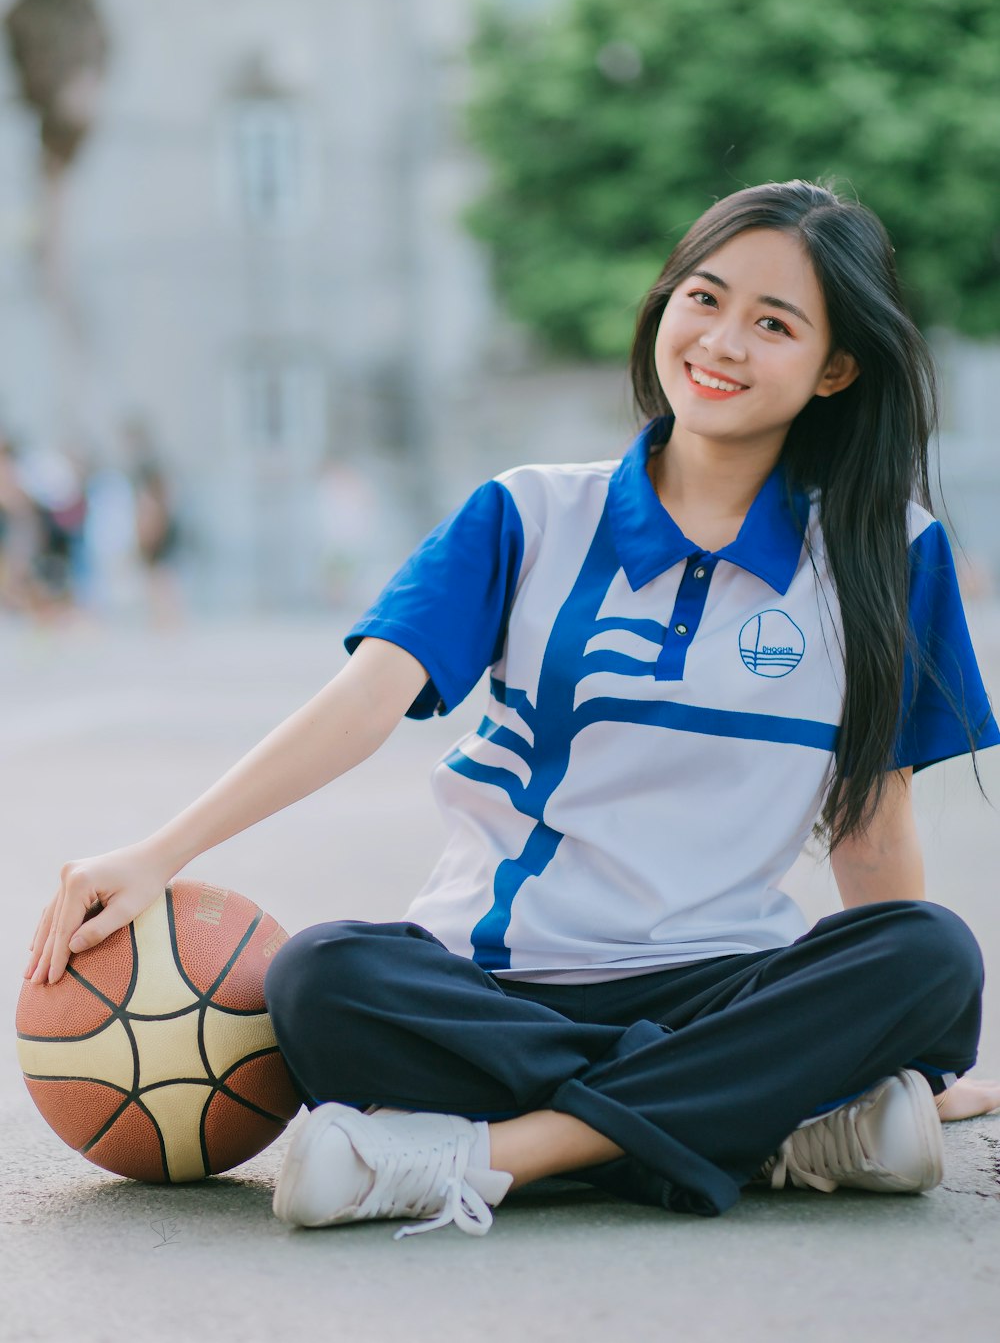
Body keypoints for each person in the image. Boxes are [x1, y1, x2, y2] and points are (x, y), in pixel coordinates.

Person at [25, 179, 1000, 1240]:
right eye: (703, 298)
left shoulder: (888, 555)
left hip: (722, 984)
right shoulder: (529, 511)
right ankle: (774, 1127)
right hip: (497, 986)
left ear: (835, 368)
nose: (721, 341)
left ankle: (482, 1155)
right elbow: (358, 708)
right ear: (665, 302)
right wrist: (160, 852)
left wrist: (898, 1038)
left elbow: (869, 826)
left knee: (930, 957)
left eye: (774, 324)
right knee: (319, 979)